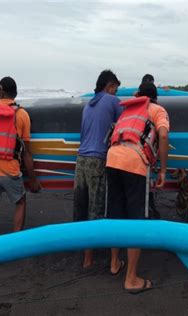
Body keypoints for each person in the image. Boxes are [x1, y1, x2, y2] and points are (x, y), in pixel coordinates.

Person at [106, 82, 169, 293]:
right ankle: (131, 279)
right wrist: (162, 170)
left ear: (139, 96)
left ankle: (114, 263)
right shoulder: (157, 109)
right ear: (155, 97)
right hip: (133, 162)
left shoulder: (129, 108)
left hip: (112, 158)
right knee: (136, 221)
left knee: (115, 215)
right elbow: (163, 135)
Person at [73, 70, 122, 270]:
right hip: (97, 160)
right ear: (109, 86)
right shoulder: (112, 102)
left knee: (81, 205)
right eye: (115, 89)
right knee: (95, 207)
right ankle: (88, 257)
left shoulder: (89, 104)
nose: (116, 93)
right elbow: (124, 124)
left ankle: (80, 246)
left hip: (81, 160)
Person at [0, 76, 40, 241]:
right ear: (15, 93)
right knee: (20, 202)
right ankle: (15, 247)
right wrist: (33, 180)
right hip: (10, 170)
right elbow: (26, 153)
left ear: (1, 91)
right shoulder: (21, 115)